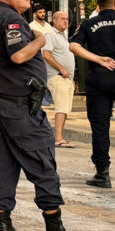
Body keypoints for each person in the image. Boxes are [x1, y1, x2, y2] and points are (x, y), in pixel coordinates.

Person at [0, 0, 78, 231]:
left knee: (4, 164)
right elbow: (19, 55)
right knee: (42, 162)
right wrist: (41, 39)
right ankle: (54, 228)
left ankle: (4, 226)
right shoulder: (10, 18)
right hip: (19, 106)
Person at [70, 0, 115, 189]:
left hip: (100, 77)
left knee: (100, 126)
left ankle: (102, 172)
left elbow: (74, 46)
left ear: (98, 3)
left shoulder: (90, 23)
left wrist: (98, 59)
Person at [43, 11, 76, 149]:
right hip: (57, 76)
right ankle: (58, 138)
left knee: (65, 109)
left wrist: (70, 77)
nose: (65, 21)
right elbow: (46, 54)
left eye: (67, 19)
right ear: (54, 21)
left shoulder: (63, 36)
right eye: (62, 19)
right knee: (61, 108)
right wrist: (61, 69)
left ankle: (59, 136)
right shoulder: (50, 34)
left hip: (66, 78)